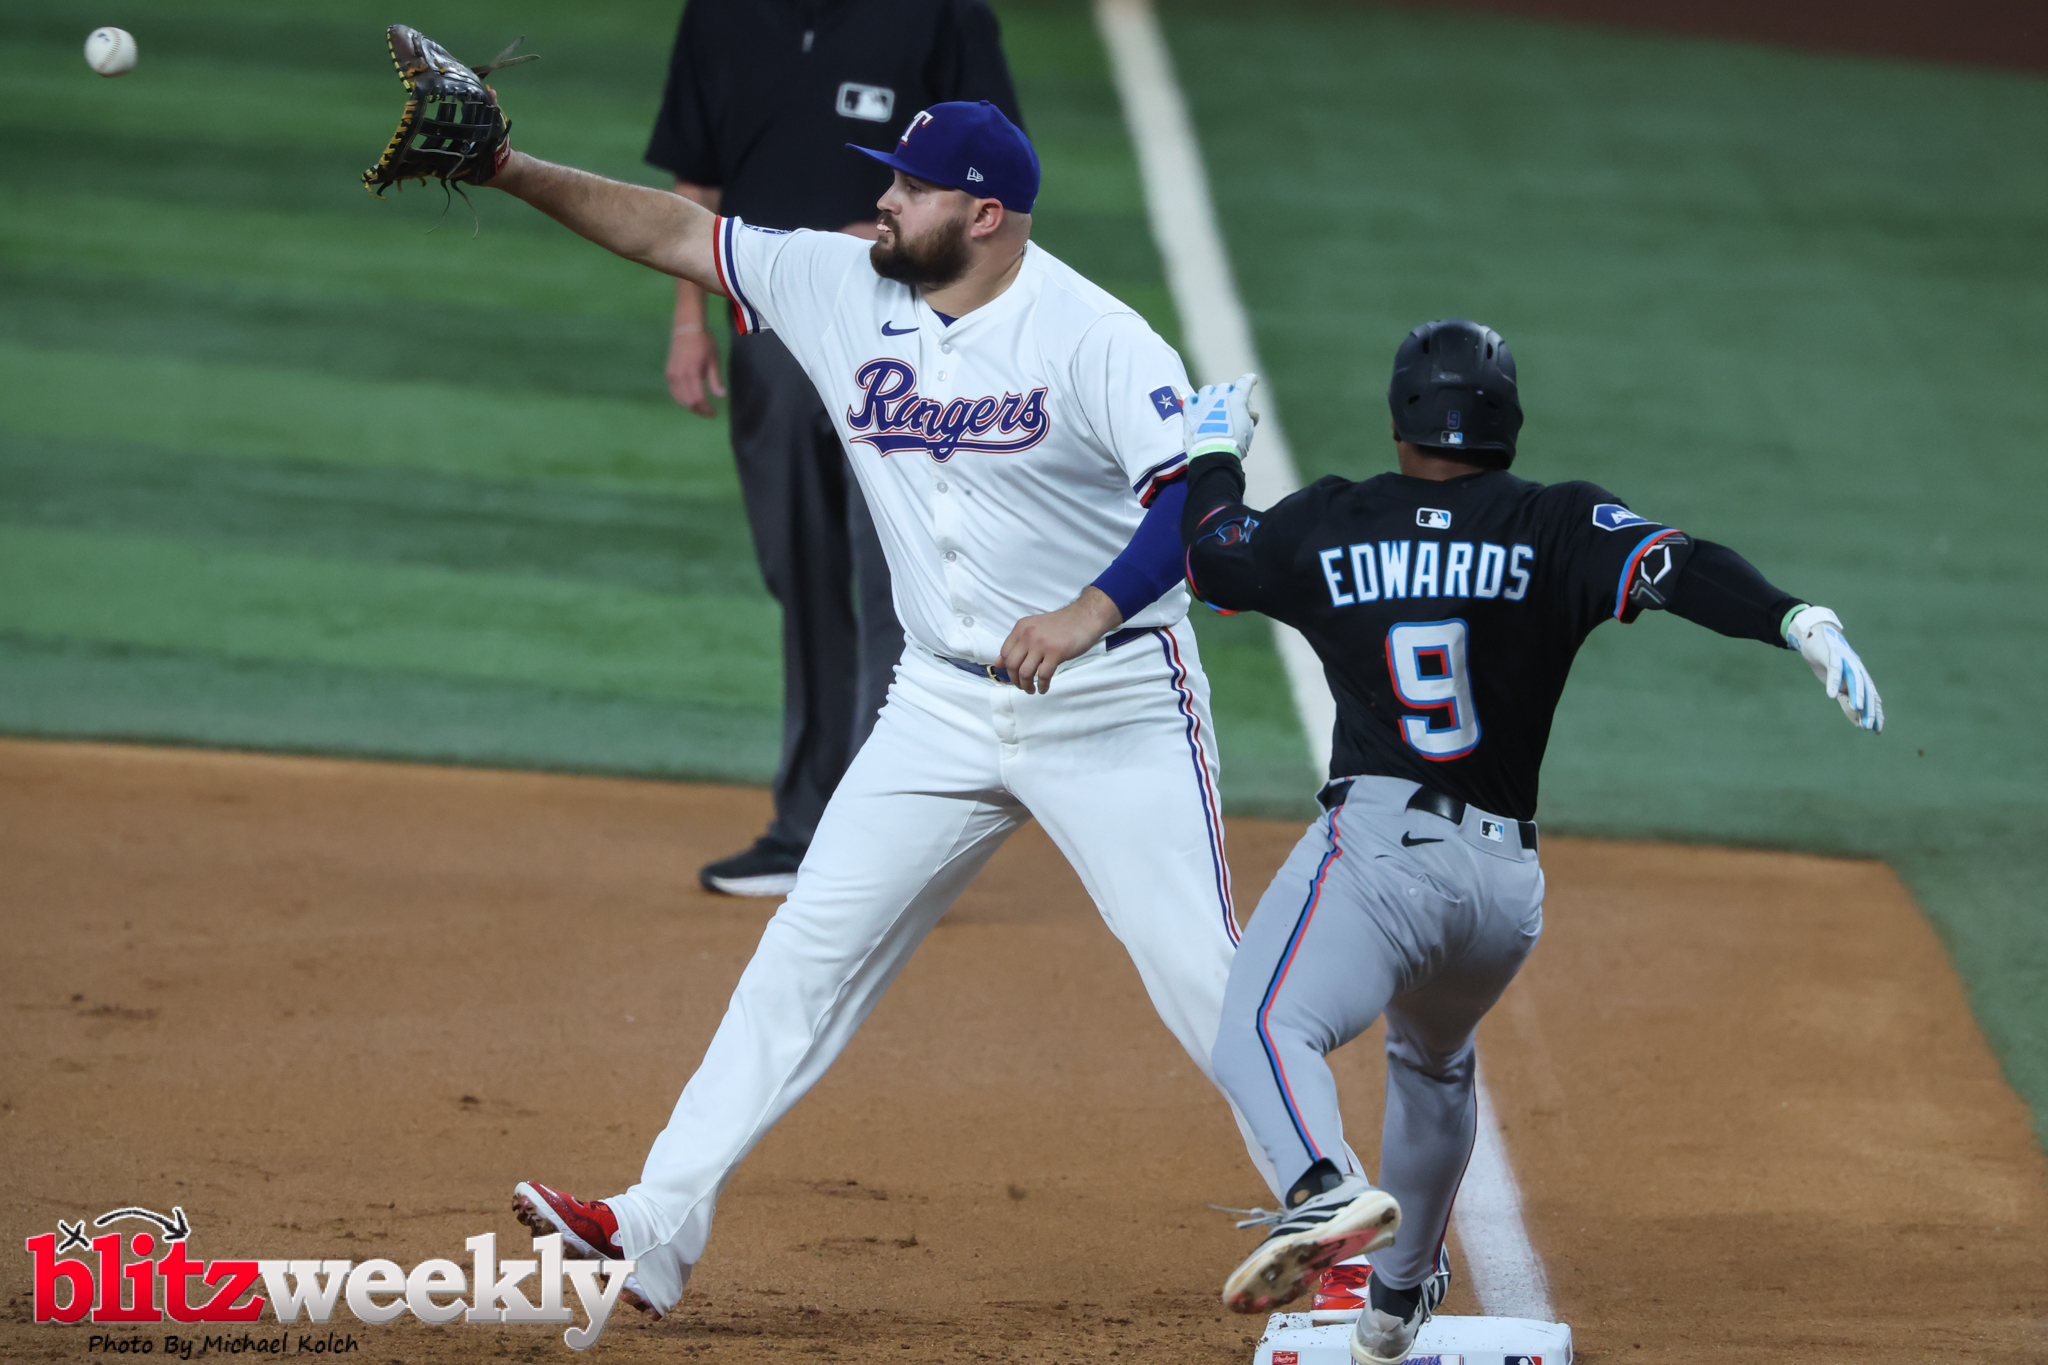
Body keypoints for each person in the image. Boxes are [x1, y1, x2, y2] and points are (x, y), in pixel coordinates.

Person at [482, 101, 1286, 1315]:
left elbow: (1192, 501)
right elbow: (671, 233)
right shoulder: (836, 283)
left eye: (908, 188)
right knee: (803, 956)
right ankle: (651, 1226)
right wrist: (507, 168)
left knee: (1195, 972)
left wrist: (1087, 612)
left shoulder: (1097, 337)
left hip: (1111, 700)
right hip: (936, 707)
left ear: (983, 214)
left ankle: (1336, 1215)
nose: (882, 203)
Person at [1176, 323, 1883, 1363]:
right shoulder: (1557, 523)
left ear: (1399, 418)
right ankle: (1396, 1300)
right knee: (1432, 1060)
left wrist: (1210, 455)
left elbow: (1209, 557)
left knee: (1258, 1027)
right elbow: (1681, 568)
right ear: (1507, 419)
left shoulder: (1332, 520)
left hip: (1382, 856)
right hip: (1501, 895)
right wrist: (1792, 618)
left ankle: (1320, 1189)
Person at [648, 0, 1024, 896]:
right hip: (769, 335)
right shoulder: (720, 15)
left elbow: (1001, 188)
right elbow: (697, 182)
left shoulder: (944, 14)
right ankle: (805, 827)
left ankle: (891, 840)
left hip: (902, 338)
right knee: (802, 577)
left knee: (899, 584)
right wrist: (688, 319)